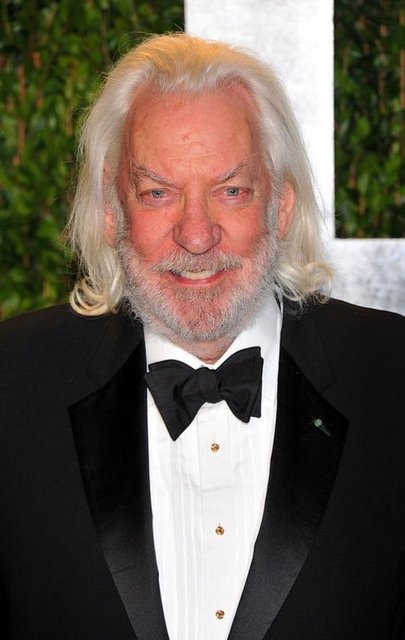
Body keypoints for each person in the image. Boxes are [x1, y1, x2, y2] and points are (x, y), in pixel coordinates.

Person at [0, 33, 404, 640]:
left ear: (281, 205)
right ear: (112, 210)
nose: (196, 235)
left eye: (231, 191)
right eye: (158, 193)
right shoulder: (11, 385)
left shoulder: (394, 376)